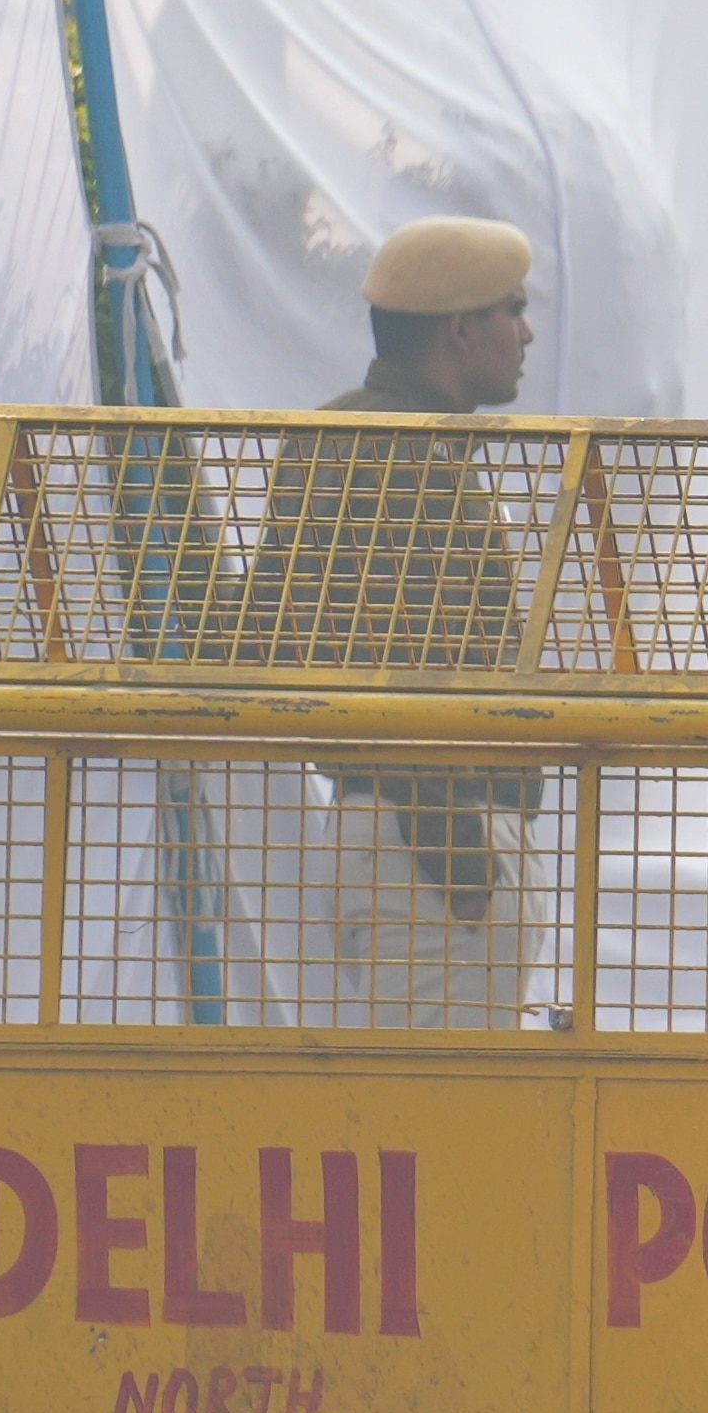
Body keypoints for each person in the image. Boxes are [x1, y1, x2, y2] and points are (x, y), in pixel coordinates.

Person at [239, 216, 550, 1029]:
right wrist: (464, 865)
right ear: (458, 331)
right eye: (510, 311)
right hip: (436, 852)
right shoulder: (412, 466)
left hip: (395, 840)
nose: (526, 334)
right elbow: (413, 677)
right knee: (449, 1118)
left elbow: (276, 621)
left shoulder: (335, 437)